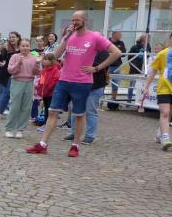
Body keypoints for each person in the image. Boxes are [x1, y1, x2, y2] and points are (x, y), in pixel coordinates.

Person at [27, 11, 121, 157]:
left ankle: (75, 145)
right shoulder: (69, 36)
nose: (74, 23)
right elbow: (55, 56)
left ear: (85, 21)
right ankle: (43, 144)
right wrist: (66, 37)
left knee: (79, 114)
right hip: (64, 80)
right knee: (52, 111)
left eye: (77, 20)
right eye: (72, 20)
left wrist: (97, 68)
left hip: (82, 82)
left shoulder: (95, 37)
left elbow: (116, 53)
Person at [67, 47, 110, 145]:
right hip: (79, 84)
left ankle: (90, 136)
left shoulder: (102, 52)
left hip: (95, 85)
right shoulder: (83, 49)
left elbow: (95, 65)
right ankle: (74, 133)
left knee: (91, 111)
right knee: (74, 109)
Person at [4, 39, 41, 138]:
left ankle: (20, 129)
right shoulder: (15, 56)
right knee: (15, 106)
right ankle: (9, 129)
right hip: (17, 82)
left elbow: (37, 72)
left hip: (29, 83)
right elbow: (10, 70)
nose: (25, 48)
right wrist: (19, 63)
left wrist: (37, 64)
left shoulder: (34, 58)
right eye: (23, 46)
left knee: (26, 107)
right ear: (19, 47)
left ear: (30, 47)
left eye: (27, 46)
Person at [142, 34, 172, 150]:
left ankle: (160, 134)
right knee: (165, 112)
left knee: (169, 113)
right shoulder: (163, 54)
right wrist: (146, 87)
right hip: (164, 87)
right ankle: (165, 138)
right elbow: (153, 71)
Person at [0, 32, 20, 119]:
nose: (11, 39)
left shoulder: (21, 48)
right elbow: (1, 59)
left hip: (21, 74)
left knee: (18, 94)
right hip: (9, 74)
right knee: (6, 93)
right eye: (10, 37)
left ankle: (16, 113)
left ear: (18, 38)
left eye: (13, 37)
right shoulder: (6, 48)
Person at [36, 54, 61, 132]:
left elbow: (55, 81)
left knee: (50, 110)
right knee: (46, 108)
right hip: (45, 93)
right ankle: (46, 124)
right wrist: (40, 89)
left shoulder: (55, 70)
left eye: (46, 59)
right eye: (44, 59)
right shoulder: (44, 70)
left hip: (51, 93)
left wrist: (49, 88)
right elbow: (41, 81)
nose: (44, 61)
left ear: (51, 61)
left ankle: (48, 125)